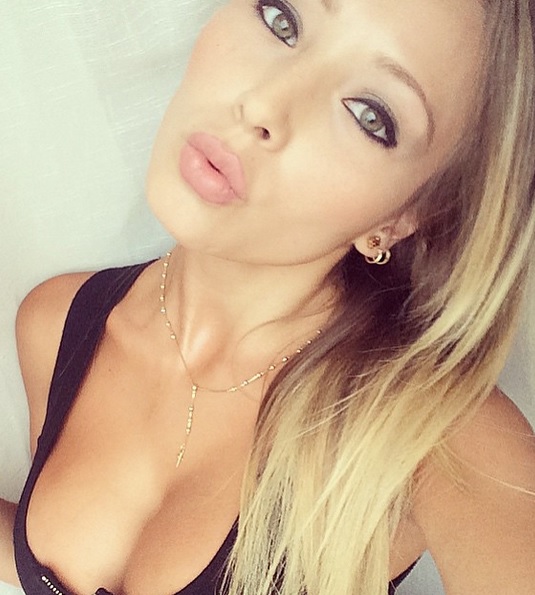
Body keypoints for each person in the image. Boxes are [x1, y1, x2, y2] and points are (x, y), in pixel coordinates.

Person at [1, 0, 535, 593]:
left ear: (405, 215)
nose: (263, 104)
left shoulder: (435, 434)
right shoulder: (55, 323)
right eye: (282, 19)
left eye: (370, 115)